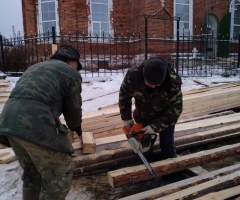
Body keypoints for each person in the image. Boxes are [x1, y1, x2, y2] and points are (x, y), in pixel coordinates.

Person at [0, 44, 83, 200]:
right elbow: (73, 108)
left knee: (33, 171)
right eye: (77, 66)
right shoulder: (70, 73)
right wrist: (76, 127)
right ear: (72, 61)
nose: (77, 69)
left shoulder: (34, 67)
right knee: (59, 176)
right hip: (35, 125)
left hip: (8, 122)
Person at [119, 57, 183, 160]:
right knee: (145, 148)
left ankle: (170, 166)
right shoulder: (133, 75)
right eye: (150, 83)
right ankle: (146, 165)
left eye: (157, 85)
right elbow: (124, 96)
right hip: (143, 115)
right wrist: (126, 118)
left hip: (164, 118)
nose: (153, 87)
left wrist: (154, 127)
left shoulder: (173, 83)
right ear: (143, 76)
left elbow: (175, 111)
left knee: (167, 145)